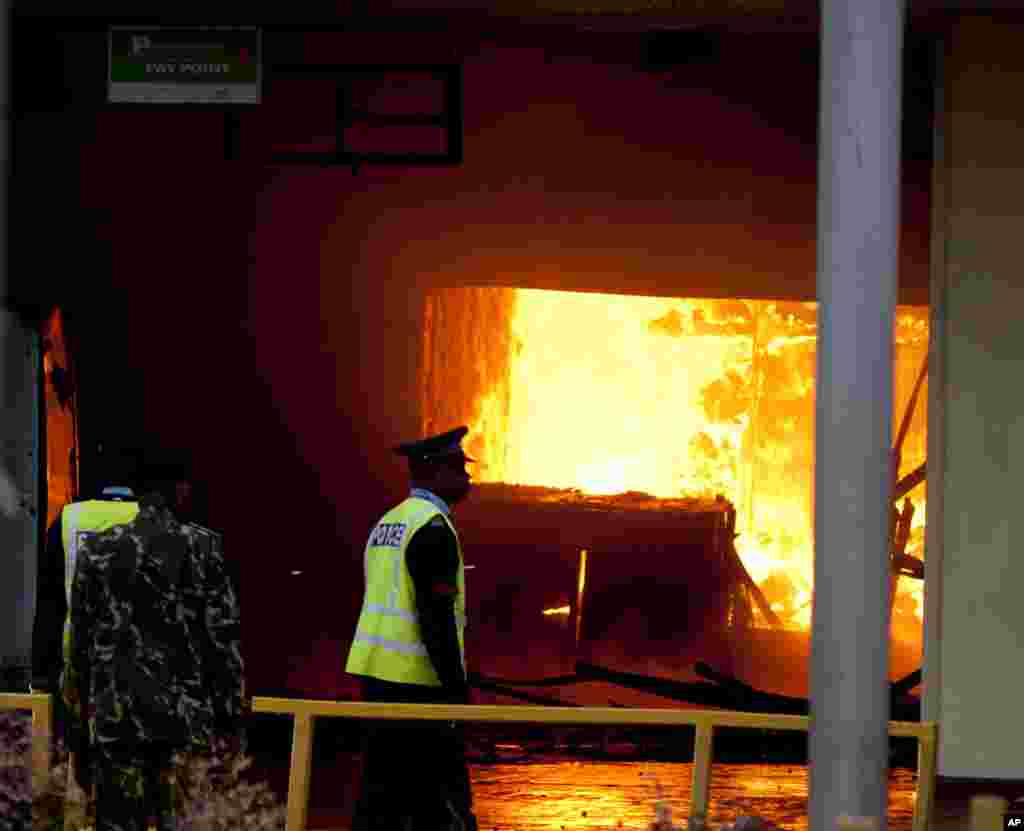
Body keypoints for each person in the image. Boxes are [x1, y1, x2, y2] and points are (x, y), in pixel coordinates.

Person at [67, 486, 245, 831]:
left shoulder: (98, 550)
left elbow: (79, 648)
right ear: (180, 492)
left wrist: (78, 724)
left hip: (115, 722)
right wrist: (231, 719)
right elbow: (222, 642)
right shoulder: (203, 548)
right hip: (184, 723)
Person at [346, 425, 478, 831]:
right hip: (417, 682)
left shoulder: (388, 522)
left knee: (381, 794)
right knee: (442, 797)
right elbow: (434, 616)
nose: (468, 476)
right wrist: (456, 691)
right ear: (435, 472)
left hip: (375, 675)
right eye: (458, 467)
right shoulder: (433, 528)